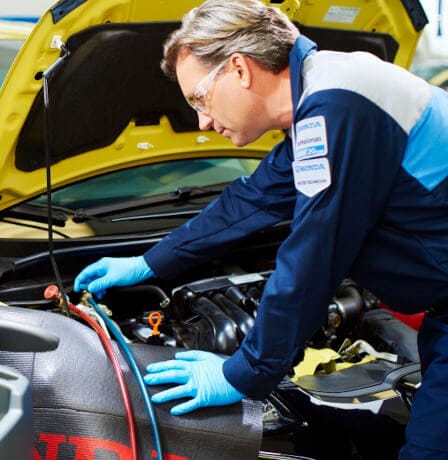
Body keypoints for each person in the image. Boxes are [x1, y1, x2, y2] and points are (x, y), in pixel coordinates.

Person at [73, 0, 448, 458]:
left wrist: (244, 372)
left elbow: (313, 256)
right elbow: (251, 201)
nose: (203, 121)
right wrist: (149, 262)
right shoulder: (325, 91)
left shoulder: (339, 105)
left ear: (239, 69)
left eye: (199, 98)